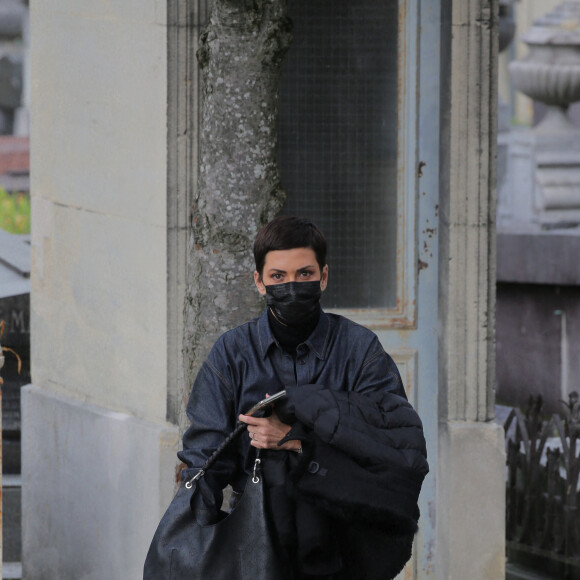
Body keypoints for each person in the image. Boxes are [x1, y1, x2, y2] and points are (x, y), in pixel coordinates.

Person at [178, 216, 428, 579]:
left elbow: (393, 448)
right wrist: (194, 553)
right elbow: (204, 462)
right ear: (259, 282)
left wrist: (294, 440)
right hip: (257, 539)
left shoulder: (360, 351)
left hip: (345, 544)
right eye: (278, 277)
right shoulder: (231, 355)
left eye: (304, 274)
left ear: (323, 277)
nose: (292, 286)